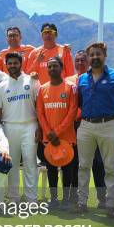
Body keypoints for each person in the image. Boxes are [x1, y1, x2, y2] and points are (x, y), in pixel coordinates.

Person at [76, 42, 114, 217]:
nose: (94, 57)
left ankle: (110, 205)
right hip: (86, 125)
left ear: (104, 55)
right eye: (91, 55)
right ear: (88, 58)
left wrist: (112, 119)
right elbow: (79, 103)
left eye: (98, 54)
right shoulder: (82, 79)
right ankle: (81, 202)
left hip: (108, 124)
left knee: (110, 167)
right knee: (83, 166)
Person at [0, 52, 40, 202]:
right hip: (9, 127)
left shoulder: (32, 80)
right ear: (6, 65)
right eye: (10, 63)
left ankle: (31, 198)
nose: (12, 66)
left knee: (30, 162)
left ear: (21, 64)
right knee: (10, 164)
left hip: (30, 125)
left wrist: (40, 126)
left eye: (15, 63)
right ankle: (13, 198)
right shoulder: (1, 86)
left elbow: (40, 106)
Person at [36, 56, 78, 208]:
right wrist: (48, 132)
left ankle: (66, 199)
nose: (52, 69)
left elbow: (72, 112)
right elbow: (40, 113)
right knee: (51, 169)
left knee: (67, 170)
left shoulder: (71, 87)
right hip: (49, 139)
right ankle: (54, 199)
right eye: (50, 66)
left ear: (61, 68)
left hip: (66, 138)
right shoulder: (42, 89)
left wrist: (57, 132)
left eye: (55, 66)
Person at [67, 49, 107, 207]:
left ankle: (102, 199)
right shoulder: (69, 80)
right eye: (77, 60)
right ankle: (76, 197)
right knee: (76, 163)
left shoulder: (96, 78)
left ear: (89, 61)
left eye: (83, 60)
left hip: (92, 124)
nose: (80, 63)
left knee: (98, 163)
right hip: (73, 127)